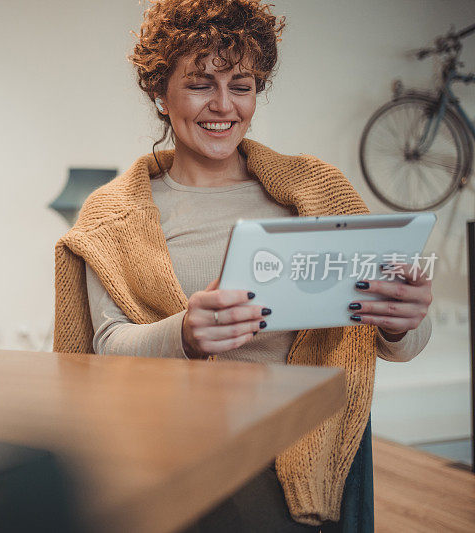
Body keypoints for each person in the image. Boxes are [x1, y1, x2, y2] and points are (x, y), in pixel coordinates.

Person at [53, 0, 432, 531]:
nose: (224, 105)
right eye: (201, 83)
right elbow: (105, 345)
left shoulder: (317, 192)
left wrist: (402, 320)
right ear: (160, 94)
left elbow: (398, 344)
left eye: (242, 84)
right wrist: (184, 333)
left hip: (300, 448)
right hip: (174, 448)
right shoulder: (113, 213)